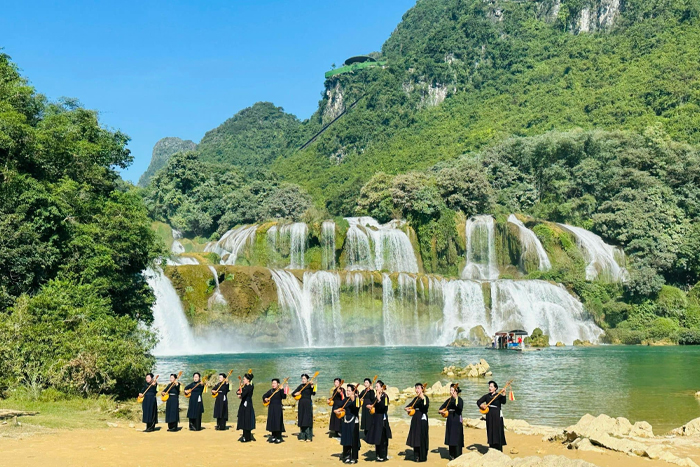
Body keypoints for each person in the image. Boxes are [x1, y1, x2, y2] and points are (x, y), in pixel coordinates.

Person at [365, 380, 392, 462]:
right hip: (376, 419)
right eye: (375, 386)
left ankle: (383, 455)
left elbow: (384, 408)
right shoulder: (376, 397)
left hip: (382, 420)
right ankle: (378, 455)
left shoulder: (385, 397)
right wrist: (370, 406)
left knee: (383, 438)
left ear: (382, 388)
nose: (376, 388)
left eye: (377, 387)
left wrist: (379, 399)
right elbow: (373, 404)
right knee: (377, 437)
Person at [477, 380, 507, 451]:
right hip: (489, 415)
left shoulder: (498, 395)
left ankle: (499, 448)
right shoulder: (487, 396)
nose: (489, 388)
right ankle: (491, 447)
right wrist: (481, 406)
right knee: (490, 430)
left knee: (497, 430)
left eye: (491, 386)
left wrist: (504, 393)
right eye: (489, 386)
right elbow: (478, 401)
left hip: (497, 415)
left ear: (495, 388)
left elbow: (504, 402)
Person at [405, 383, 429, 462]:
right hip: (415, 419)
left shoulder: (425, 398)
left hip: (422, 419)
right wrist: (408, 409)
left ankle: (422, 456)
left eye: (418, 388)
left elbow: (425, 407)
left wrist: (422, 398)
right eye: (416, 388)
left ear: (422, 389)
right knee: (416, 437)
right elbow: (408, 406)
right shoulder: (415, 399)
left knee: (422, 437)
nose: (417, 390)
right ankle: (416, 456)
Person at [337, 383, 360, 464]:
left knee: (353, 440)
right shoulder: (346, 400)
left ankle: (354, 457)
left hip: (353, 421)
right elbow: (339, 404)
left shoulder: (357, 399)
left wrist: (353, 399)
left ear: (353, 392)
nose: (347, 392)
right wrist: (336, 410)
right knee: (346, 439)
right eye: (347, 390)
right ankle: (346, 456)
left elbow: (356, 408)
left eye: (349, 391)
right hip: (346, 421)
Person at [439, 383, 464, 460]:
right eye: (450, 390)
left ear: (456, 391)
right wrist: (442, 412)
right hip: (450, 419)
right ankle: (451, 454)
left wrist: (456, 398)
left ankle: (458, 454)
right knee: (451, 436)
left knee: (457, 436)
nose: (451, 392)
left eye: (452, 390)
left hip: (456, 418)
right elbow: (441, 408)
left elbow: (459, 408)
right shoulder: (449, 400)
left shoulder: (459, 400)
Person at [262, 378, 287, 443]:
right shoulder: (270, 391)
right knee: (272, 421)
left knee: (278, 422)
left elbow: (284, 397)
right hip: (271, 408)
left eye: (274, 383)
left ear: (278, 384)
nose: (273, 384)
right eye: (272, 383)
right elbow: (264, 395)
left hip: (278, 408)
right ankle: (273, 436)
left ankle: (279, 436)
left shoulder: (280, 390)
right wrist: (265, 398)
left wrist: (282, 389)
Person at [293, 373, 316, 441]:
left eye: (304, 379)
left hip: (308, 404)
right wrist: (296, 394)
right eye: (302, 379)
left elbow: (313, 393)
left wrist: (312, 386)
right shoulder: (300, 386)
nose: (303, 380)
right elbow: (293, 394)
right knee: (302, 419)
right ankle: (302, 436)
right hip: (301, 404)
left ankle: (309, 437)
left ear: (307, 379)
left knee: (307, 419)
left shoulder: (309, 385)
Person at [237, 371, 256, 442]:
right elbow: (238, 392)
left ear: (248, 380)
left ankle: (247, 436)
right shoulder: (244, 386)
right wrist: (239, 392)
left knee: (247, 419)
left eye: (244, 379)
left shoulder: (250, 387)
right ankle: (244, 435)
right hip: (243, 403)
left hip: (248, 404)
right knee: (243, 418)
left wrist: (240, 393)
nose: (243, 380)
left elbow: (243, 394)